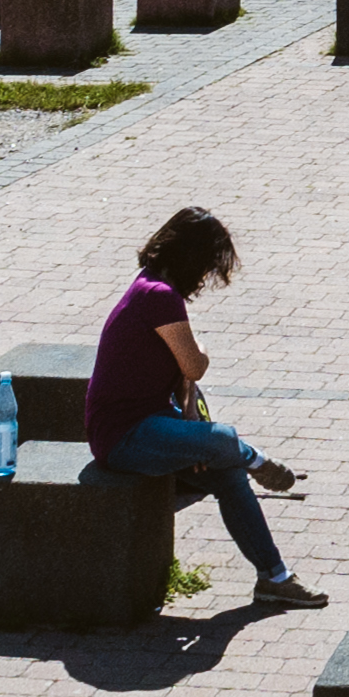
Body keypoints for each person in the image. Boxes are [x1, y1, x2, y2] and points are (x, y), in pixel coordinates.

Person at [82, 203, 324, 611]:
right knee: (225, 440)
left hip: (153, 425)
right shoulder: (159, 297)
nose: (208, 276)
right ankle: (259, 460)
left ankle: (274, 577)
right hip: (124, 436)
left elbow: (183, 378)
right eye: (209, 264)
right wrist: (202, 356)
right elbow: (195, 364)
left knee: (227, 470)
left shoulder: (148, 285)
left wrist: (192, 432)